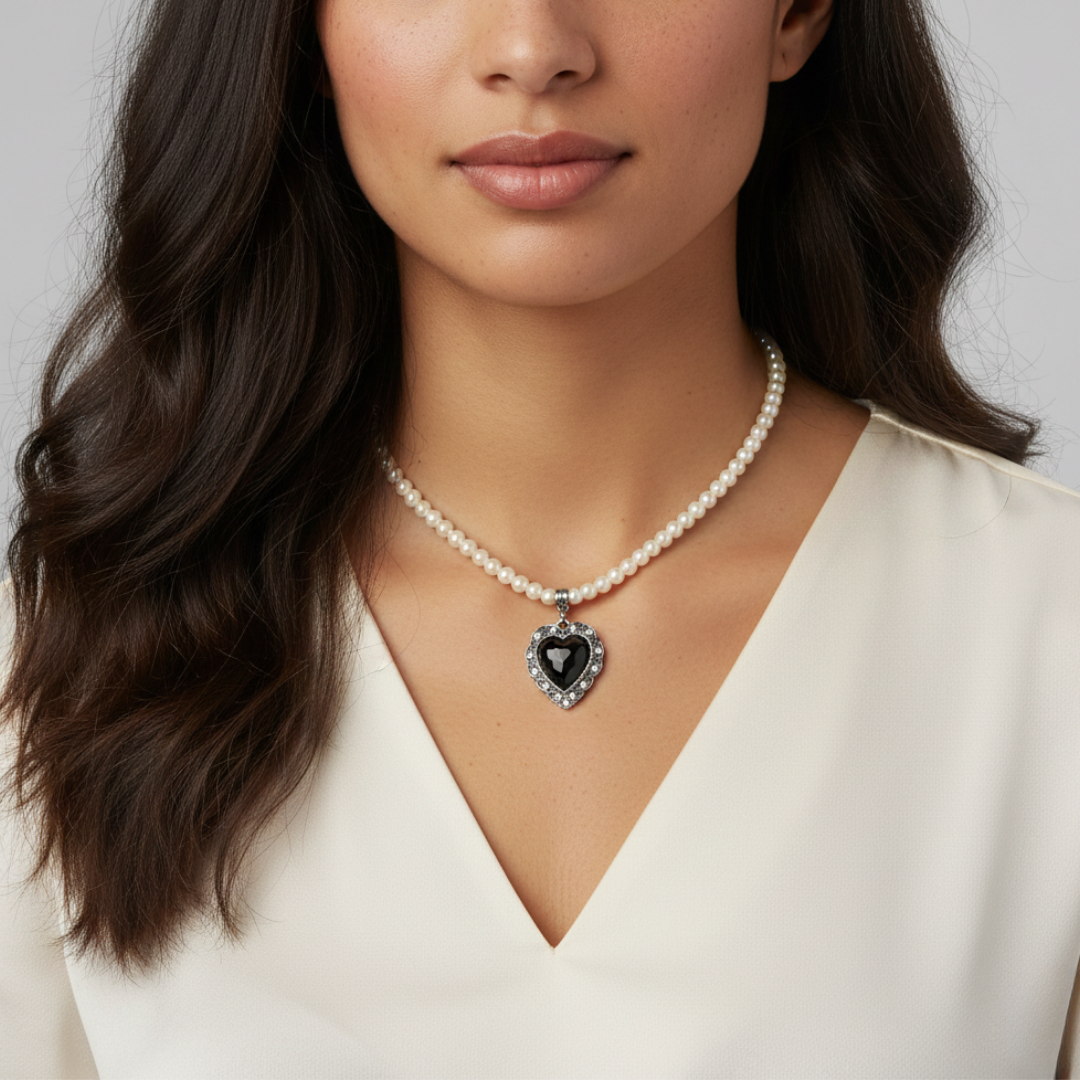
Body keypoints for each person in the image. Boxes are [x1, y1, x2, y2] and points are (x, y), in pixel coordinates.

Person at [2, 0, 1079, 1075]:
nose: (533, 50)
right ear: (301, 33)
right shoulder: (57, 655)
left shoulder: (1046, 629)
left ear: (795, 15)